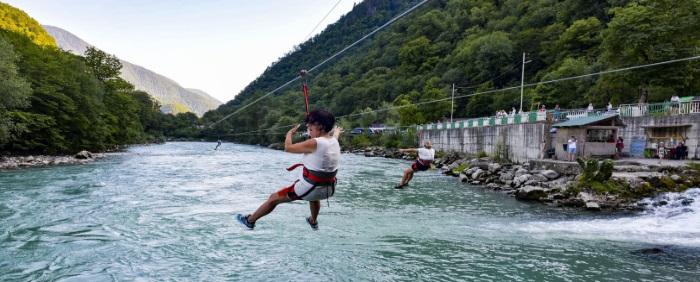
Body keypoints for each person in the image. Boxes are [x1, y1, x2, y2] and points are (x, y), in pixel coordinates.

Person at [236, 109, 342, 230]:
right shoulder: (333, 141)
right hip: (329, 189)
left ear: (321, 126)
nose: (308, 126)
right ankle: (313, 221)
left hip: (310, 189)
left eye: (311, 124)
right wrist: (336, 131)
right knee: (313, 198)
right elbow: (333, 137)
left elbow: (288, 148)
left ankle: (249, 221)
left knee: (273, 198)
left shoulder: (315, 142)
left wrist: (289, 134)